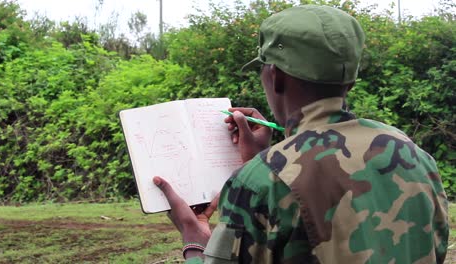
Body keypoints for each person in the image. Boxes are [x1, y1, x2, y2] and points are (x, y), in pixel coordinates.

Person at [152, 5, 449, 264]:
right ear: (350, 79)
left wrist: (194, 240)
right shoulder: (414, 155)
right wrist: (261, 160)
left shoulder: (260, 182)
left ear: (276, 77)